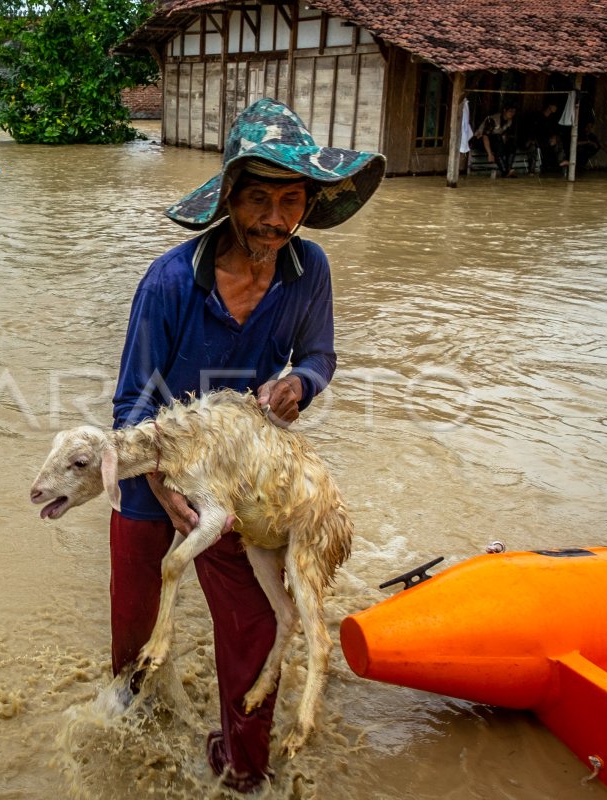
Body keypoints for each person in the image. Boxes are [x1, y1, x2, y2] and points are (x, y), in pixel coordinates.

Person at [108, 97, 384, 793]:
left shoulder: (307, 269)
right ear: (227, 198)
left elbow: (319, 354)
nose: (274, 219)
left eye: (291, 200)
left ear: (309, 204)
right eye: (258, 198)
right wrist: (161, 488)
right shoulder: (173, 280)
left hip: (242, 475)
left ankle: (242, 766)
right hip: (159, 470)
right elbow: (132, 400)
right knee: (137, 604)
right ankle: (129, 704)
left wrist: (301, 383)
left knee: (255, 623)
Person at [471, 105, 518, 176]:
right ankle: (505, 171)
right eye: (510, 111)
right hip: (479, 141)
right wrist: (489, 153)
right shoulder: (493, 119)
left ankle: (508, 169)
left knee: (511, 145)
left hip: (495, 143)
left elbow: (503, 134)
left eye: (514, 112)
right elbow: (485, 136)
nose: (512, 114)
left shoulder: (509, 121)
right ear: (504, 110)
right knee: (497, 138)